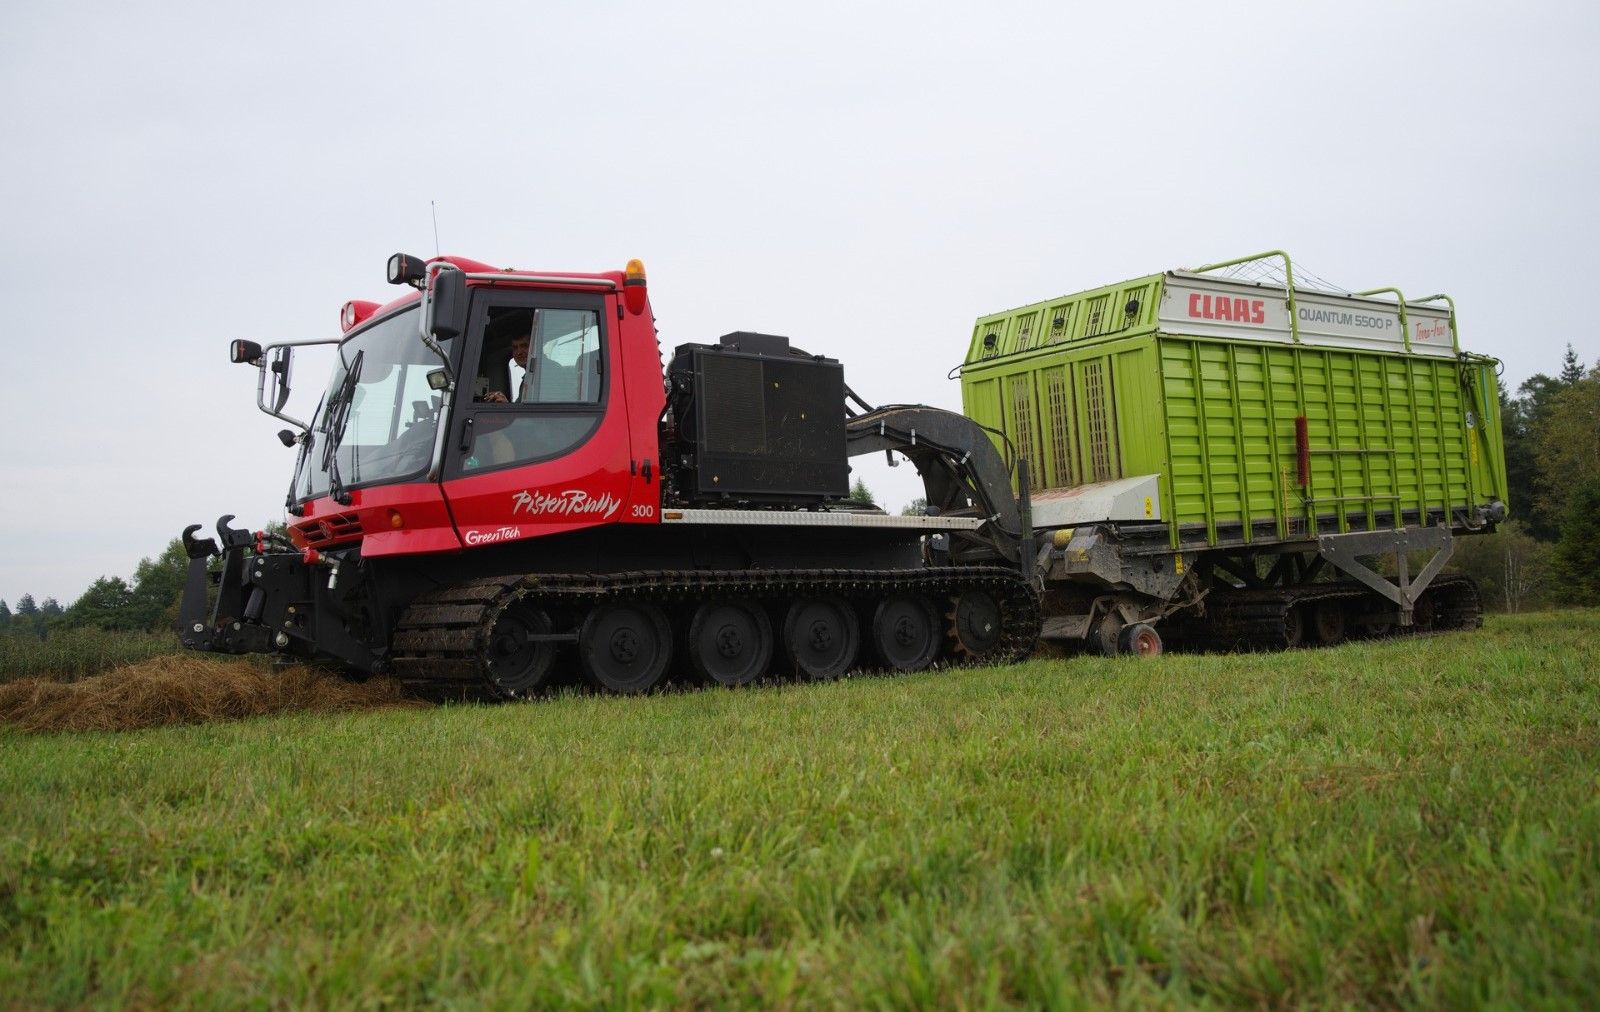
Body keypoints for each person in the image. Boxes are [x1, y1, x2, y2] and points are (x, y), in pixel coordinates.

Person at [479, 329, 531, 403]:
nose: (519, 352)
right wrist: (505, 404)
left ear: (534, 347)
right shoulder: (528, 378)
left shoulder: (544, 377)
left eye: (524, 346)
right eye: (515, 348)